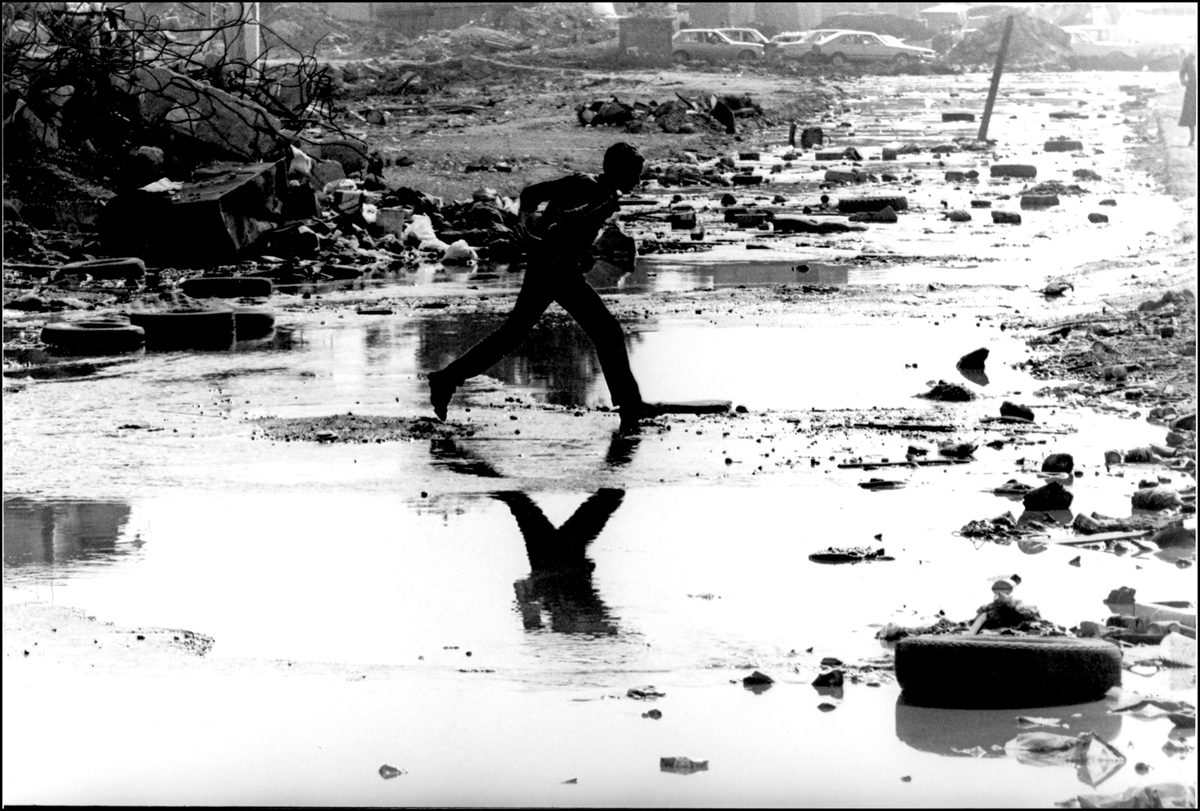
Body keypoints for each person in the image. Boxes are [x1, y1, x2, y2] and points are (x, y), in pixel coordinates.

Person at [427, 142, 651, 431]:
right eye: (634, 173)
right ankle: (630, 406)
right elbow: (531, 196)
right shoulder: (586, 185)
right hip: (552, 269)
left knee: (514, 335)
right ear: (619, 171)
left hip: (557, 268)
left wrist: (579, 253)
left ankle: (446, 380)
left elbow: (568, 230)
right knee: (606, 331)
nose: (637, 180)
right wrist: (526, 231)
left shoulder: (604, 196)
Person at [1180, 50, 1196, 147]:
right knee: (1191, 112)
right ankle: (1192, 138)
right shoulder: (1188, 59)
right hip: (1192, 88)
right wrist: (1183, 80)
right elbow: (1182, 72)